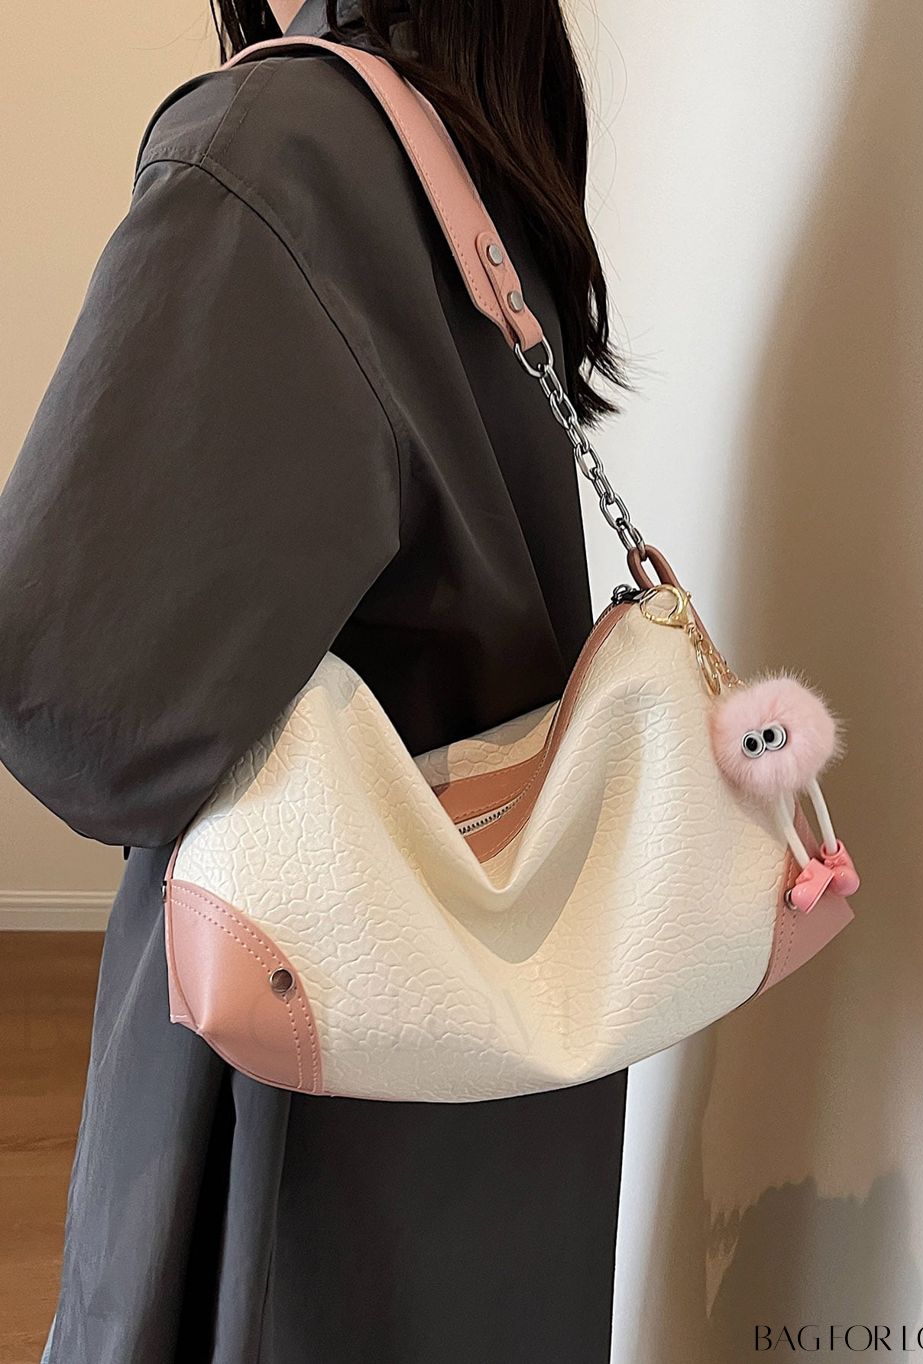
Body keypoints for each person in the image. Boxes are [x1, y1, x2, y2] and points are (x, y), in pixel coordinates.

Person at [0, 2, 630, 1360]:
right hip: (496, 1059)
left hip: (301, 1064)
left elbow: (77, 704)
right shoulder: (480, 146)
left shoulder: (275, 147)